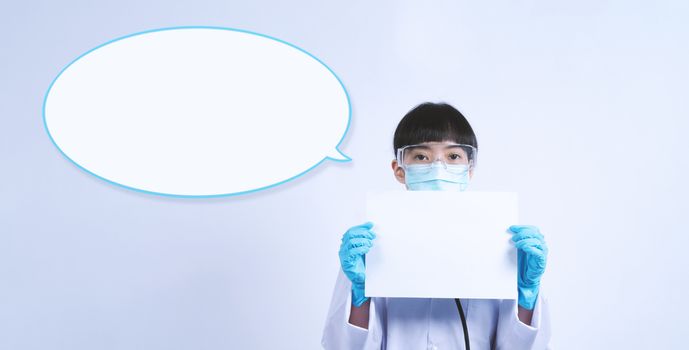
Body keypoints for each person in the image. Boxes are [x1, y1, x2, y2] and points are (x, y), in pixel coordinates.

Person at [321, 102, 552, 349]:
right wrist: (359, 295)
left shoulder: (500, 243)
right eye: (421, 156)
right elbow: (340, 346)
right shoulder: (371, 245)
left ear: (469, 169)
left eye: (453, 156)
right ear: (400, 169)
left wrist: (527, 295)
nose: (438, 167)